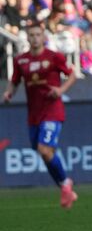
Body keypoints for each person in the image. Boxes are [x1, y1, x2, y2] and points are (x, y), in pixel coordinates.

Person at [3, 23, 77, 209]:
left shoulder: (54, 57)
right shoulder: (21, 60)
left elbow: (72, 74)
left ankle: (66, 184)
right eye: (32, 35)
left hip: (52, 111)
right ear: (27, 38)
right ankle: (65, 185)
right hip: (34, 114)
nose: (35, 38)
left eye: (38, 34)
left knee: (44, 150)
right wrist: (8, 92)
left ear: (43, 36)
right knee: (44, 153)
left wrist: (60, 90)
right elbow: (14, 81)